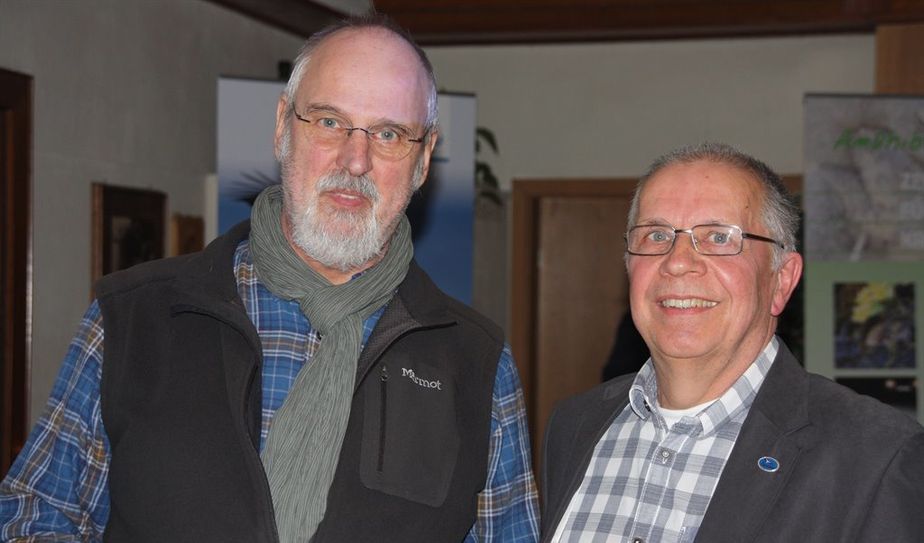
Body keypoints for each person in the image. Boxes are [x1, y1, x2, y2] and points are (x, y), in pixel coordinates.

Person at [0, 14, 539, 542]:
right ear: (283, 126)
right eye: (329, 121)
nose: (356, 160)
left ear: (422, 161)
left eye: (390, 133)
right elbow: (33, 515)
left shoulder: (477, 363)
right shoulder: (131, 320)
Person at [541, 143, 924, 542]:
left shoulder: (878, 457)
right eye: (656, 234)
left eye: (719, 237)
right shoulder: (574, 426)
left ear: (782, 280)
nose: (677, 261)